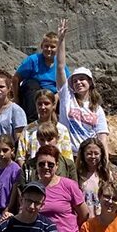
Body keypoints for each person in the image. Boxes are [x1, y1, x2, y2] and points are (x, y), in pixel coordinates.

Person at [55, 19, 109, 156]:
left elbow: (102, 137)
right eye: (75, 80)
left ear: (90, 82)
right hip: (67, 154)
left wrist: (105, 162)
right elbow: (60, 66)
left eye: (82, 79)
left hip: (87, 157)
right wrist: (61, 40)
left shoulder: (97, 109)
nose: (78, 82)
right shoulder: (67, 97)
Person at [12, 29, 70, 122]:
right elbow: (16, 79)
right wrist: (16, 98)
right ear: (42, 46)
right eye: (46, 46)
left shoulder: (60, 64)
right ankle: (32, 121)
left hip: (53, 95)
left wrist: (57, 96)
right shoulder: (32, 60)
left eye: (52, 47)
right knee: (31, 84)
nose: (49, 49)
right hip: (35, 94)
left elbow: (66, 84)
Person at [0, 69, 27, 171]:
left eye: (1, 87)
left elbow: (19, 139)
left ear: (8, 88)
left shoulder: (16, 111)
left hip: (5, 155)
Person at [16, 89, 73, 165]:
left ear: (53, 105)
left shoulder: (62, 129)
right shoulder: (28, 130)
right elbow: (21, 157)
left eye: (46, 104)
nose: (43, 107)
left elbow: (67, 158)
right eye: (39, 104)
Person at [77, 138, 117, 218]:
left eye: (96, 153)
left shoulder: (108, 174)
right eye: (89, 153)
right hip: (84, 220)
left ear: (101, 154)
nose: (93, 156)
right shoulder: (77, 175)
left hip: (103, 219)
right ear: (83, 155)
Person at [0, 134, 21, 224]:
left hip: (7, 212)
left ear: (12, 150)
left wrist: (6, 211)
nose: (1, 154)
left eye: (5, 150)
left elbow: (13, 195)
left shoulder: (15, 170)